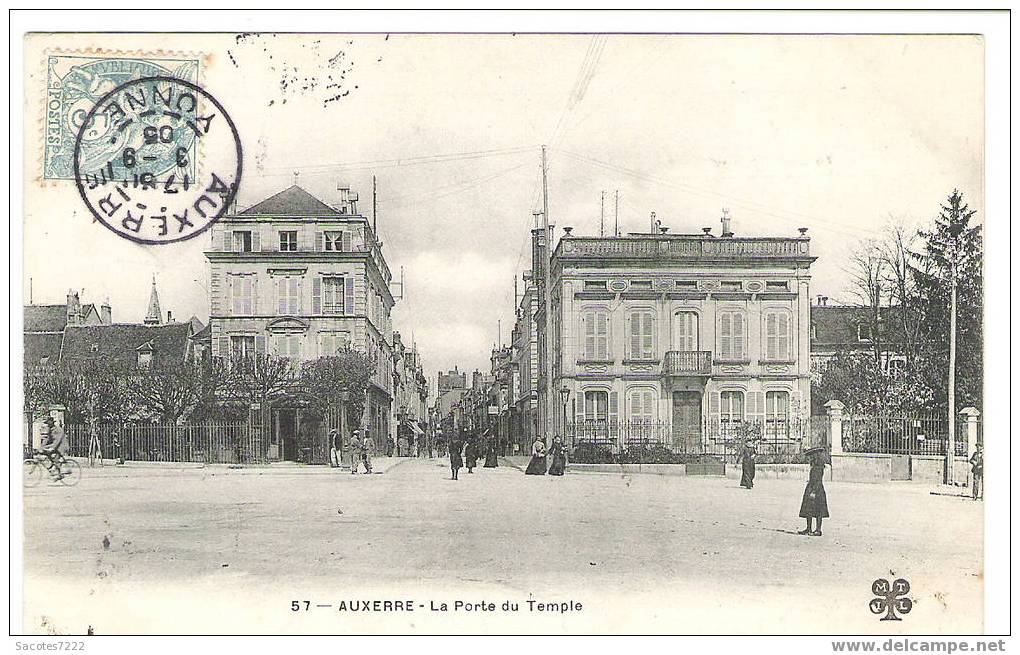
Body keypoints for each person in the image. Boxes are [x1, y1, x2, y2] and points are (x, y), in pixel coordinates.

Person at [798, 446, 829, 536]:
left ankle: (818, 530)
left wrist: (813, 491)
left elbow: (818, 479)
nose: (810, 458)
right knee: (809, 509)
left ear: (815, 456)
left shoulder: (818, 467)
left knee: (818, 510)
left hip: (816, 489)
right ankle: (809, 528)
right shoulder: (815, 466)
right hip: (812, 487)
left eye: (811, 456)